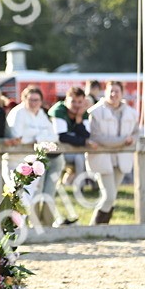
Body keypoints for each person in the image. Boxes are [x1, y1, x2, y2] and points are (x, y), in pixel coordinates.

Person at [86, 81, 137, 226]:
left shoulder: (131, 113)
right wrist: (122, 141)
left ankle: (102, 227)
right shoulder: (95, 112)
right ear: (105, 92)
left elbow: (136, 133)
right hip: (102, 158)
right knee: (109, 196)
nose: (114, 94)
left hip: (121, 159)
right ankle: (93, 227)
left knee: (111, 197)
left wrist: (132, 139)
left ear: (122, 93)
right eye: (111, 91)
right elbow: (97, 137)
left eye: (117, 91)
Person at [5, 86, 59, 222]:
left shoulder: (41, 113)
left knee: (29, 197)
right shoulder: (18, 113)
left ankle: (22, 227)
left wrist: (39, 138)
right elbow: (17, 136)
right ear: (24, 99)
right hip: (15, 161)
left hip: (33, 163)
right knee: (17, 196)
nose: (34, 103)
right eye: (31, 99)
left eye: (37, 100)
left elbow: (53, 136)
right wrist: (40, 137)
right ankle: (10, 228)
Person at [48, 87, 93, 223]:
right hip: (50, 155)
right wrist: (82, 141)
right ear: (66, 100)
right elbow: (62, 137)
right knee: (49, 190)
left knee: (80, 158)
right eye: (73, 101)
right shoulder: (59, 111)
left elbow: (86, 135)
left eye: (80, 102)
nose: (76, 105)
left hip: (67, 154)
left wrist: (79, 120)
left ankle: (78, 188)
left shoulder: (82, 113)